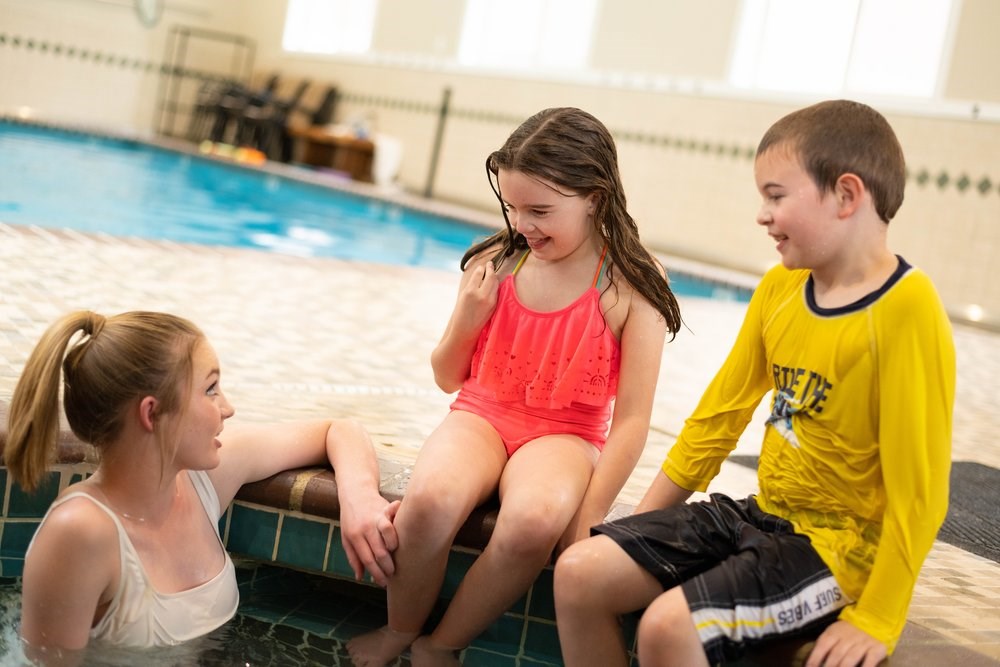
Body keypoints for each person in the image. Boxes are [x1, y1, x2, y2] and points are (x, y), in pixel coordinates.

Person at [553, 99, 956, 667]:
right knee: (578, 573)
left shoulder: (906, 308)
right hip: (762, 515)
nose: (762, 216)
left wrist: (879, 617)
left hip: (839, 550)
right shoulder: (780, 290)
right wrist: (640, 528)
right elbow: (716, 421)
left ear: (846, 195)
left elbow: (920, 490)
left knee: (669, 627)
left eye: (776, 196)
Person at [347, 107, 683, 666]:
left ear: (595, 197)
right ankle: (399, 629)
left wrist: (589, 513)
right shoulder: (496, 262)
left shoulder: (631, 282)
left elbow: (631, 421)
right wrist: (468, 316)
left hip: (565, 434)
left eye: (540, 211)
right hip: (481, 413)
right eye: (511, 207)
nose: (522, 224)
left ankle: (442, 644)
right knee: (427, 503)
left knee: (533, 522)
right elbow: (446, 377)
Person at [2, 310, 399, 663]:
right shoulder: (81, 533)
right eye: (211, 389)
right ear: (152, 413)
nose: (227, 408)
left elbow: (339, 430)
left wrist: (360, 497)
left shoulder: (200, 482)